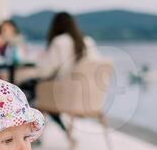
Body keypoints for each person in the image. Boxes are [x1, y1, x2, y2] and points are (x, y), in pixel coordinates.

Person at [19, 11, 99, 140]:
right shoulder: (88, 41)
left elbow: (46, 71)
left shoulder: (60, 41)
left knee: (27, 89)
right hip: (88, 97)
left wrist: (40, 62)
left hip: (65, 95)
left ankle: (27, 132)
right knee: (43, 94)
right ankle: (64, 132)